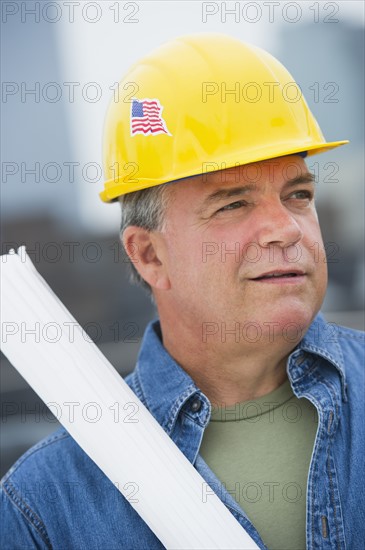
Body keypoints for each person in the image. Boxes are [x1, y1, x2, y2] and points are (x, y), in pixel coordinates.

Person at [1, 34, 364, 550]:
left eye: (298, 194)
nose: (286, 228)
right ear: (149, 255)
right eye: (233, 204)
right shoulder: (46, 506)